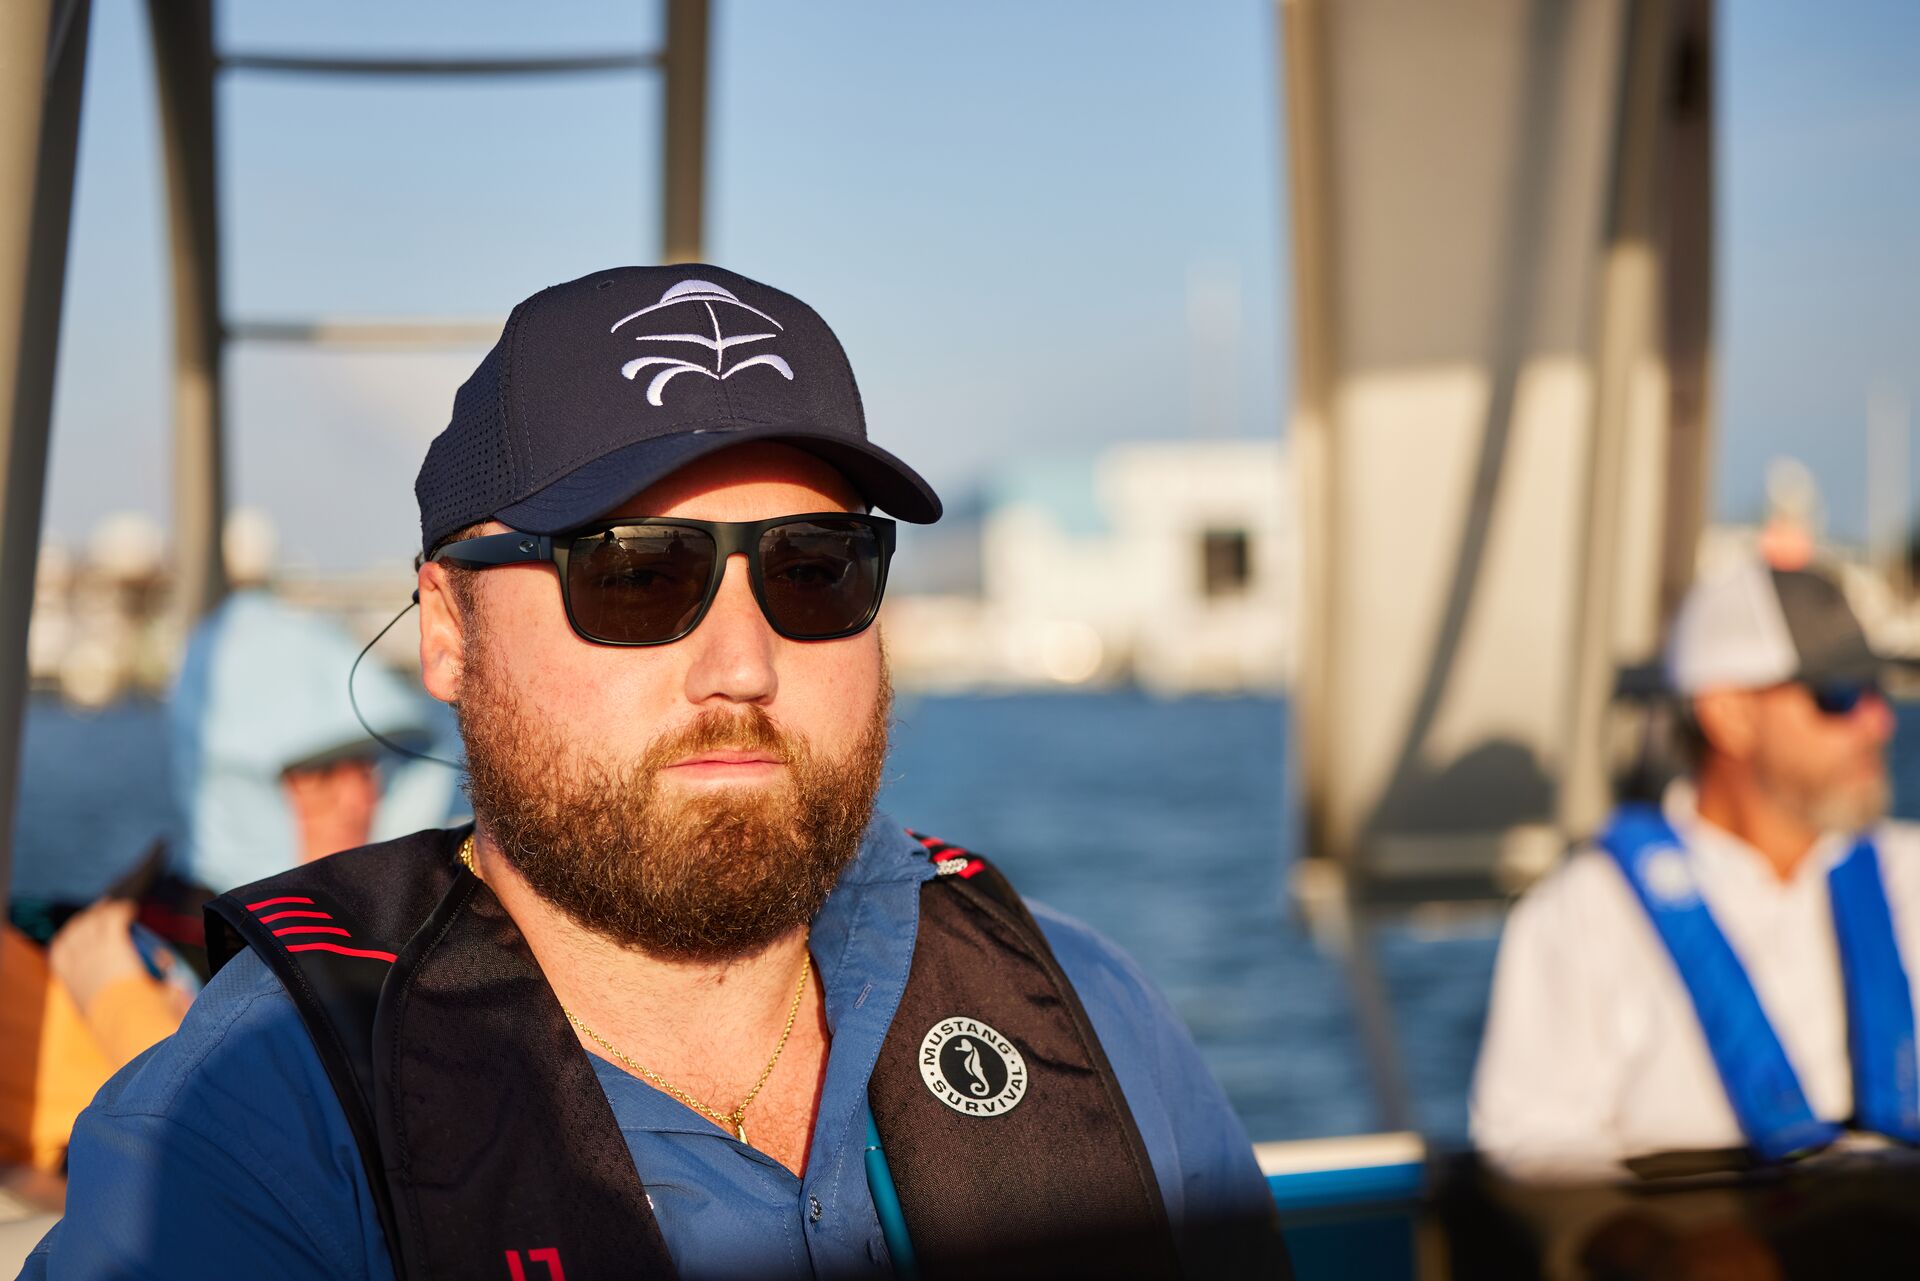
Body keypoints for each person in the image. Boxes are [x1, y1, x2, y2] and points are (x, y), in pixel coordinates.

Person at [23, 266, 1286, 1280]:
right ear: (448, 630)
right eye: (634, 573)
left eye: (813, 571)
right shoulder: (257, 1136)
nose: (743, 665)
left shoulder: (1089, 1015)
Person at [1473, 558, 1919, 1180]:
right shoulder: (1587, 913)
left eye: (1878, 689)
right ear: (1728, 714)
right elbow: (1535, 1150)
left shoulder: (1907, 875)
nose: (1879, 721)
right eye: (1838, 696)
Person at [0, 592, 448, 1171]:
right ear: (238, 786)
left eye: (367, 765)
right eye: (318, 775)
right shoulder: (95, 941)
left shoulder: (425, 939)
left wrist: (120, 1004)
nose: (360, 797)